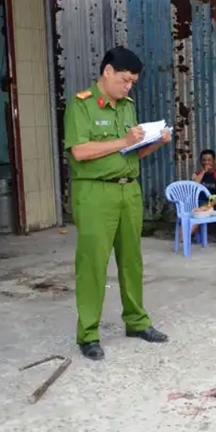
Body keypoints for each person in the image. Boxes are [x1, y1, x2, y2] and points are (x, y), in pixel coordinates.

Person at [64, 46, 173, 361]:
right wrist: (124, 141)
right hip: (96, 193)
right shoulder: (81, 105)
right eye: (124, 80)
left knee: (131, 261)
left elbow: (132, 152)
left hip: (129, 190)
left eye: (132, 83)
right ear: (107, 71)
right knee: (93, 264)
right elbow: (80, 152)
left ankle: (137, 321)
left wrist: (154, 142)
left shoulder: (127, 106)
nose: (128, 87)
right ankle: (88, 334)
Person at [181, 149, 216, 242]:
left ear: (214, 161)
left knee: (197, 215)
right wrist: (203, 172)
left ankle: (182, 239)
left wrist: (207, 207)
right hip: (196, 204)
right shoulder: (197, 174)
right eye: (204, 160)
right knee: (188, 215)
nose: (206, 162)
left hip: (212, 205)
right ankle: (181, 239)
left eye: (209, 160)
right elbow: (193, 187)